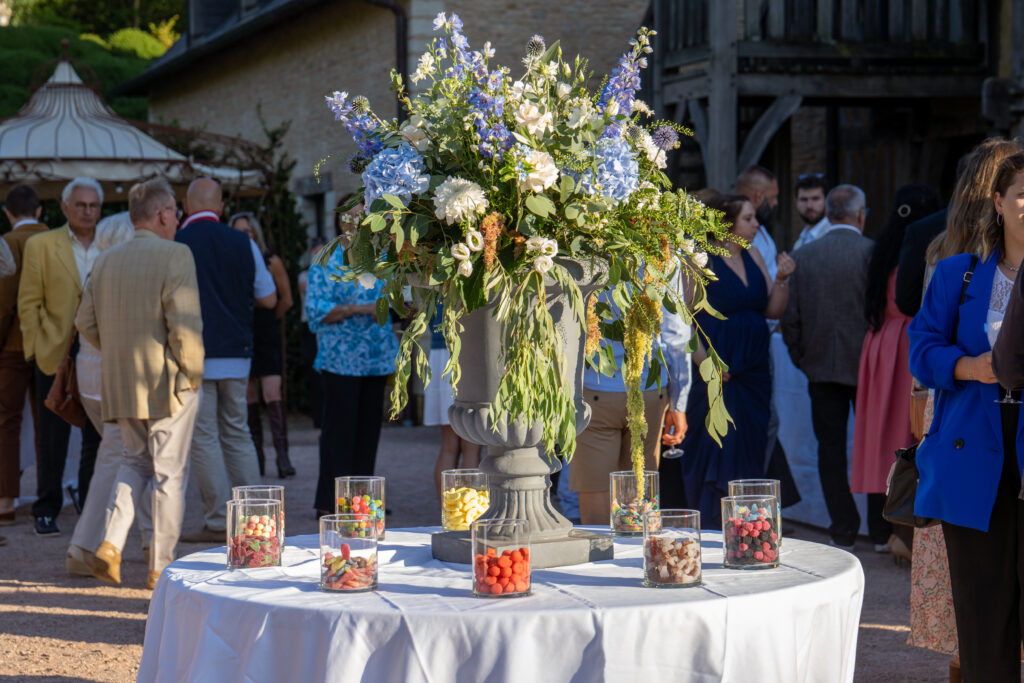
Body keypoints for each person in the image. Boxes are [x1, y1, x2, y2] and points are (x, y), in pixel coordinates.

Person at [904, 138, 1021, 677]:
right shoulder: (959, 274)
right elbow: (921, 349)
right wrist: (968, 367)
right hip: (974, 447)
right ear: (998, 202)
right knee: (983, 620)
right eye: (1023, 195)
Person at [77, 179, 204, 590]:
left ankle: (111, 544)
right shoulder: (176, 254)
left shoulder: (106, 259)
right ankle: (159, 567)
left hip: (119, 380)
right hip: (168, 380)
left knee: (132, 464)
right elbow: (184, 324)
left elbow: (85, 322)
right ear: (164, 213)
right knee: (169, 474)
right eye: (175, 213)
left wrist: (115, 350)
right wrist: (192, 375)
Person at [680, 194, 794, 527]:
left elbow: (772, 310)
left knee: (753, 438)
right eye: (748, 218)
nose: (757, 224)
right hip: (717, 368)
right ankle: (715, 523)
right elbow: (682, 318)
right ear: (724, 224)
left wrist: (783, 279)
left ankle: (749, 524)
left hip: (754, 369)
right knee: (717, 445)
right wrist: (705, 364)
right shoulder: (699, 259)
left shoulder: (755, 254)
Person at [176, 178, 277, 543]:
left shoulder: (178, 242)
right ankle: (256, 516)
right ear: (219, 208)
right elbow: (267, 296)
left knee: (203, 436)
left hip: (191, 353)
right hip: (237, 352)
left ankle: (219, 519)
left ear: (186, 206)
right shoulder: (243, 242)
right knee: (237, 431)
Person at [851, 185, 942, 559]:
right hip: (909, 341)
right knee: (913, 431)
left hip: (880, 344)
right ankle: (907, 535)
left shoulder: (881, 250)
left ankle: (895, 531)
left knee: (886, 436)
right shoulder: (928, 246)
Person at [781, 184, 873, 549]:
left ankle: (843, 528)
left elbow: (791, 320)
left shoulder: (806, 255)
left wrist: (802, 359)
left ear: (829, 213)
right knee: (874, 445)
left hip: (820, 367)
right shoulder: (872, 253)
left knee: (829, 450)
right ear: (860, 214)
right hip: (867, 367)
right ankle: (881, 530)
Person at [65, 211, 154, 576]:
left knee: (124, 459)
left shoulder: (98, 267)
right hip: (115, 377)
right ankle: (111, 546)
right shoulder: (122, 269)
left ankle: (94, 546)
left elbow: (83, 323)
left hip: (93, 377)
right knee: (138, 460)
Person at [18, 177, 104, 536]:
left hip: (100, 352)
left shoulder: (113, 244)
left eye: (93, 205)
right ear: (65, 207)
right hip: (55, 351)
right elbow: (29, 303)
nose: (87, 211)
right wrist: (38, 349)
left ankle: (89, 506)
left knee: (96, 435)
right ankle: (47, 507)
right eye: (80, 205)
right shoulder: (42, 245)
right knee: (51, 436)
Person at [306, 202, 399, 516]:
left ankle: (363, 502)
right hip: (340, 360)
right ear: (339, 219)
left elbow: (395, 300)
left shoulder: (380, 256)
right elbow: (316, 310)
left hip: (376, 358)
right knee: (338, 433)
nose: (355, 221)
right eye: (349, 215)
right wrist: (361, 310)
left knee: (368, 433)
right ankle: (329, 504)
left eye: (362, 215)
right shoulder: (325, 259)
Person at [230, 212, 296, 479]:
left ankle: (282, 456)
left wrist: (270, 318)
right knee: (249, 397)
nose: (245, 236)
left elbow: (286, 299)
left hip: (266, 332)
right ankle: (256, 458)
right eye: (238, 231)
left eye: (248, 230)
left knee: (272, 393)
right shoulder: (232, 262)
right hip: (242, 333)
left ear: (256, 233)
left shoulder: (271, 262)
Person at [0, 183, 47, 526]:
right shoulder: (58, 240)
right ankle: (49, 497)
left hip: (13, 344)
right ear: (40, 211)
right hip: (51, 343)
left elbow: (3, 304)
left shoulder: (9, 243)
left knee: (6, 421)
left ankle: (5, 500)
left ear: (8, 213)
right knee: (50, 423)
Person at [426, 303, 483, 501]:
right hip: (470, 348)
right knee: (472, 443)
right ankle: (468, 513)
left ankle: (449, 514)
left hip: (441, 350)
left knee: (449, 444)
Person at [298, 235, 328, 433]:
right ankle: (319, 423)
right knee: (315, 378)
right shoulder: (304, 276)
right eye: (316, 252)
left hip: (329, 328)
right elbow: (315, 292)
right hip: (310, 328)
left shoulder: (335, 273)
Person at [733, 166, 780, 281]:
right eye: (773, 197)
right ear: (758, 196)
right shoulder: (731, 233)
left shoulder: (760, 225)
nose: (775, 203)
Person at [792, 173, 830, 250]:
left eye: (815, 199)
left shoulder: (832, 236)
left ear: (826, 200)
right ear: (796, 202)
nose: (809, 206)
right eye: (804, 199)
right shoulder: (800, 241)